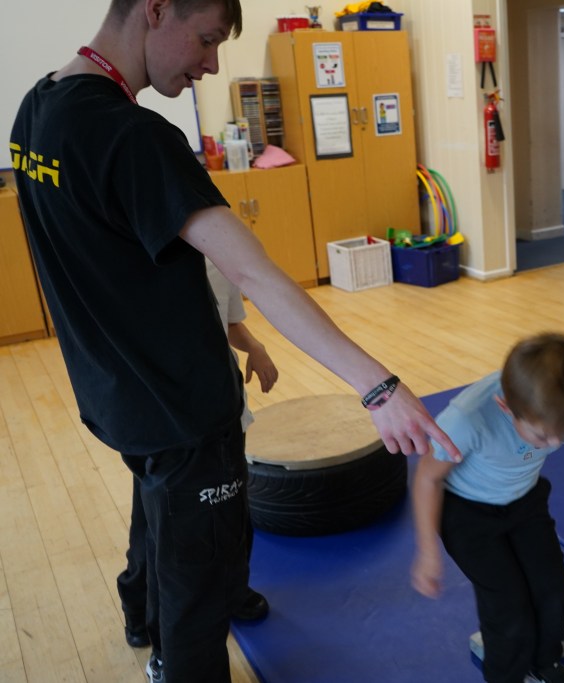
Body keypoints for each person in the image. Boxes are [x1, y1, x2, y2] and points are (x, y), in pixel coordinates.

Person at [10, 1, 458, 681]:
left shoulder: (35, 109)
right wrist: (378, 384)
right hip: (183, 412)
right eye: (208, 39)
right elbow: (255, 270)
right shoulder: (135, 138)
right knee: (197, 601)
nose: (212, 63)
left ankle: (141, 614)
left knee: (157, 509)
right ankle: (173, 649)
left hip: (118, 399)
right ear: (157, 11)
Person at [410, 333, 564, 683]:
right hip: (466, 513)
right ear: (505, 407)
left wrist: (547, 435)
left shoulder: (558, 408)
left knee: (553, 589)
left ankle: (543, 663)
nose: (556, 444)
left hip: (523, 499)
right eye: (543, 437)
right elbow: (427, 479)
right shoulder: (466, 420)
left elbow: (552, 430)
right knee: (509, 609)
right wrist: (427, 551)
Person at [118, 260, 279, 649]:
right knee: (158, 529)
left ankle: (234, 591)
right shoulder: (142, 263)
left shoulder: (219, 257)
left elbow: (227, 319)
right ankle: (139, 610)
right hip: (166, 426)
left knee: (234, 511)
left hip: (223, 409)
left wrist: (255, 347)